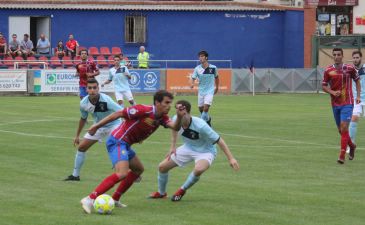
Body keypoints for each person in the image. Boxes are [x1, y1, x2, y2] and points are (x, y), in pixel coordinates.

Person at [80, 90, 186, 214]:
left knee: (138, 169)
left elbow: (176, 127)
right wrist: (96, 126)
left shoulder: (162, 118)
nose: (168, 106)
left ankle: (115, 199)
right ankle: (90, 199)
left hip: (125, 145)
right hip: (117, 141)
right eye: (166, 103)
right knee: (122, 173)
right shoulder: (143, 110)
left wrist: (179, 116)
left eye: (170, 103)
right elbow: (118, 114)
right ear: (157, 102)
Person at [149, 100, 239, 201]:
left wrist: (231, 158)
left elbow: (219, 140)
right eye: (176, 109)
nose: (178, 112)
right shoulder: (176, 119)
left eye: (180, 109)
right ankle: (161, 193)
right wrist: (173, 147)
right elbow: (174, 129)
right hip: (188, 148)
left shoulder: (201, 125)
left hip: (206, 151)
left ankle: (182, 190)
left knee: (198, 169)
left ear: (187, 111)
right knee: (162, 167)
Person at [64, 78, 123, 181]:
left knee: (117, 148)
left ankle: (129, 171)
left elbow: (122, 112)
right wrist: (77, 136)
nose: (92, 90)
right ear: (86, 89)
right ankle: (75, 175)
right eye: (90, 88)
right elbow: (83, 118)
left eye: (94, 88)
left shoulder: (106, 100)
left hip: (114, 125)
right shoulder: (83, 103)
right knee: (81, 147)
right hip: (97, 127)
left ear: (98, 88)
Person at [322, 48, 361, 164]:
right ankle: (352, 146)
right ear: (333, 56)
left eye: (339, 54)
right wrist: (333, 92)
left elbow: (357, 81)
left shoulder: (349, 68)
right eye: (334, 55)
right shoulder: (328, 70)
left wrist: (358, 96)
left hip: (348, 102)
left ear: (342, 56)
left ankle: (342, 155)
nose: (337, 56)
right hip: (335, 103)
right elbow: (324, 85)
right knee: (341, 130)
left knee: (344, 127)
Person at [190, 50, 219, 126]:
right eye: (199, 56)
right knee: (201, 109)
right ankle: (208, 119)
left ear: (206, 57)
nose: (200, 58)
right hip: (201, 91)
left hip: (210, 91)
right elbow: (193, 78)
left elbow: (217, 77)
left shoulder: (213, 68)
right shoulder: (197, 69)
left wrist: (217, 87)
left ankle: (201, 125)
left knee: (206, 108)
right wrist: (192, 84)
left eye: (202, 56)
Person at [347, 50, 365, 157]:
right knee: (354, 119)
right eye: (354, 57)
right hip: (356, 98)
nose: (355, 59)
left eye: (357, 57)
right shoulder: (350, 70)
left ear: (361, 58)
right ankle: (351, 145)